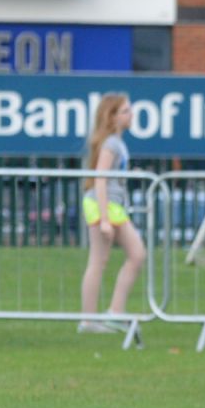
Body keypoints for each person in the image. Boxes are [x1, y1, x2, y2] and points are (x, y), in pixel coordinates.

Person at [79, 92, 145, 333]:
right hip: (103, 205)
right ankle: (89, 320)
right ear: (113, 116)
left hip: (113, 206)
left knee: (136, 255)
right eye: (126, 111)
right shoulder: (110, 144)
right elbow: (100, 179)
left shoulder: (116, 143)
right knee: (100, 260)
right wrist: (104, 219)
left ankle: (114, 312)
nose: (131, 114)